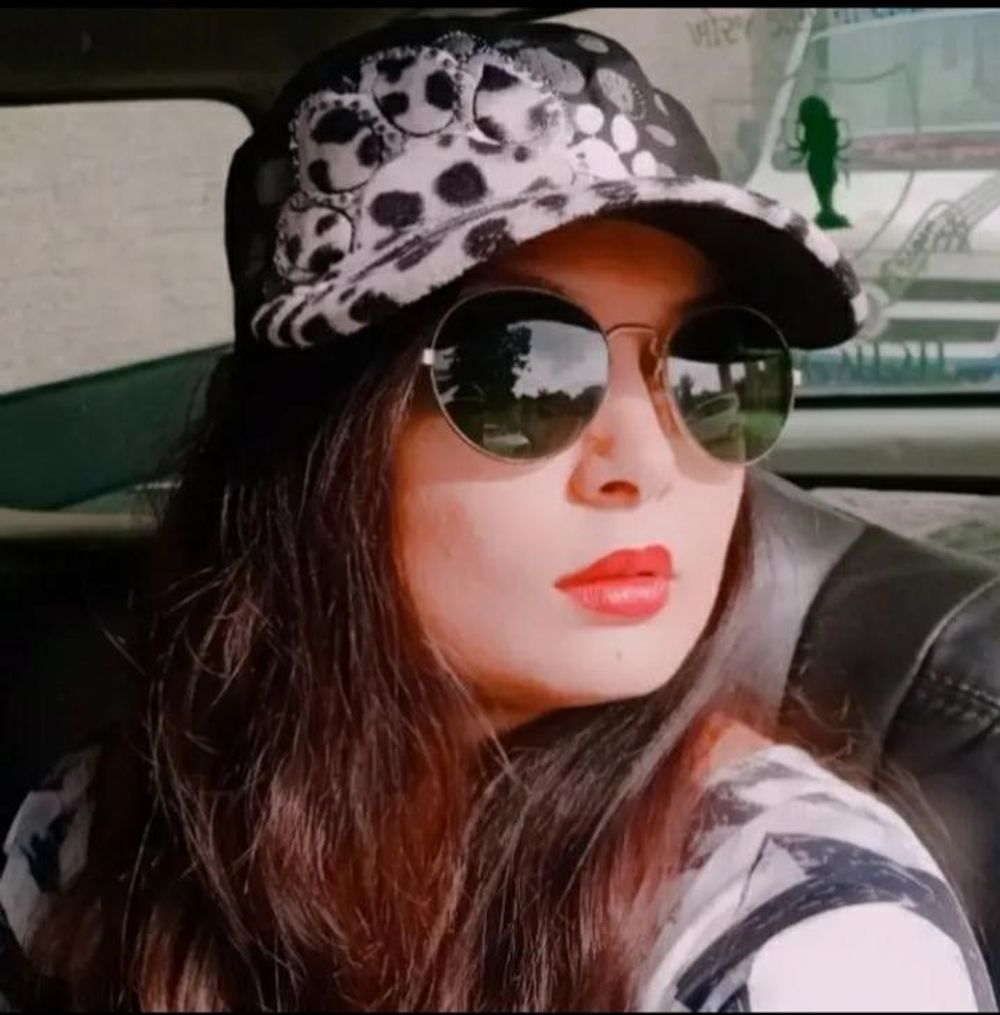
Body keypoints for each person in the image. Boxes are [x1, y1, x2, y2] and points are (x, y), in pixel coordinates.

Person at [0, 15, 993, 1012]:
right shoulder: (95, 836)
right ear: (311, 451)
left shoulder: (808, 936)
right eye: (519, 372)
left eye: (711, 365)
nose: (647, 462)